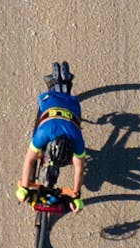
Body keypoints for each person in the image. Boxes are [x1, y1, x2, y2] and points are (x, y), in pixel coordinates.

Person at [16, 61, 87, 210]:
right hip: (65, 103)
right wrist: (76, 195)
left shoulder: (73, 137)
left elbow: (29, 160)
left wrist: (24, 187)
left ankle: (61, 82)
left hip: (64, 105)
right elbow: (79, 167)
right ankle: (60, 83)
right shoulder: (73, 139)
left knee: (49, 105)